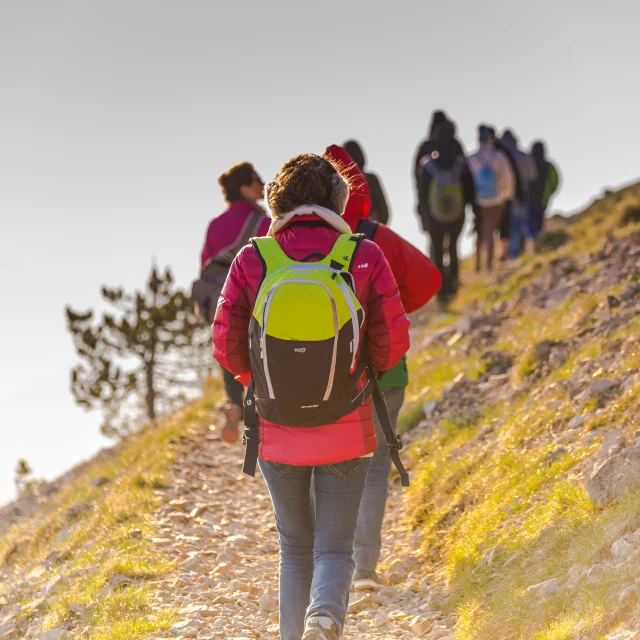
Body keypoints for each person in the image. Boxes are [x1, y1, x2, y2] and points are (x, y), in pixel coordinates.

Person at [212, 153, 410, 640]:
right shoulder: (362, 254)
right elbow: (391, 345)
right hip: (347, 423)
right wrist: (361, 370)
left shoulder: (254, 258)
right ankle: (324, 616)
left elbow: (225, 344)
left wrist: (256, 384)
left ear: (276, 202)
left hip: (277, 429)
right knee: (335, 547)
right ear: (339, 200)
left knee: (294, 547)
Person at [325, 145, 441, 590]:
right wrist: (396, 310)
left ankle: (325, 566)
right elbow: (430, 279)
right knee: (373, 468)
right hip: (382, 369)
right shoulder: (374, 235)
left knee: (324, 462)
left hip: (319, 375)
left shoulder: (292, 240)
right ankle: (364, 568)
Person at [197, 162, 270, 443]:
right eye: (257, 181)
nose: (263, 185)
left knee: (228, 350)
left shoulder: (215, 225)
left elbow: (205, 266)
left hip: (223, 300)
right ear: (244, 188)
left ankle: (234, 403)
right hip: (255, 298)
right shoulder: (263, 223)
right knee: (259, 351)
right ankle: (261, 408)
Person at [418, 124, 476, 302]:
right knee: (452, 247)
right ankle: (454, 283)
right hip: (457, 213)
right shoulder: (461, 164)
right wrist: (472, 210)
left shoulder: (429, 165)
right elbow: (470, 190)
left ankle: (440, 289)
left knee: (436, 248)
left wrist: (423, 213)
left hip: (434, 214)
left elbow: (423, 193)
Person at [468, 125, 516, 271]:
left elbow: (467, 182)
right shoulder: (499, 157)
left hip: (478, 201)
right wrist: (506, 195)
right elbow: (508, 179)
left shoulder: (471, 159)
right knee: (491, 232)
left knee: (481, 231)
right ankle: (489, 265)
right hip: (496, 200)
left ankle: (477, 263)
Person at [498, 130, 538, 258]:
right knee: (519, 223)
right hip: (522, 192)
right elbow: (532, 175)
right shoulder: (523, 156)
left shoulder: (500, 156)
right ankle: (517, 251)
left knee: (508, 225)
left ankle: (511, 253)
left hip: (502, 194)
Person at [343, 140, 391, 225]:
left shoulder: (340, 183)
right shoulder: (371, 179)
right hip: (371, 230)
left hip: (347, 233)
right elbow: (384, 212)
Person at [413, 110, 465, 188]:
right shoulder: (456, 144)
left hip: (432, 195)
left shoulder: (426, 147)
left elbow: (416, 173)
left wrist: (420, 195)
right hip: (457, 192)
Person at [529, 141, 560, 237]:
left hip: (528, 200)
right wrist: (549, 193)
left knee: (528, 224)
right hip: (542, 200)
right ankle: (537, 242)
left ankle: (533, 243)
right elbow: (555, 182)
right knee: (538, 224)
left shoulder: (528, 164)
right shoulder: (549, 166)